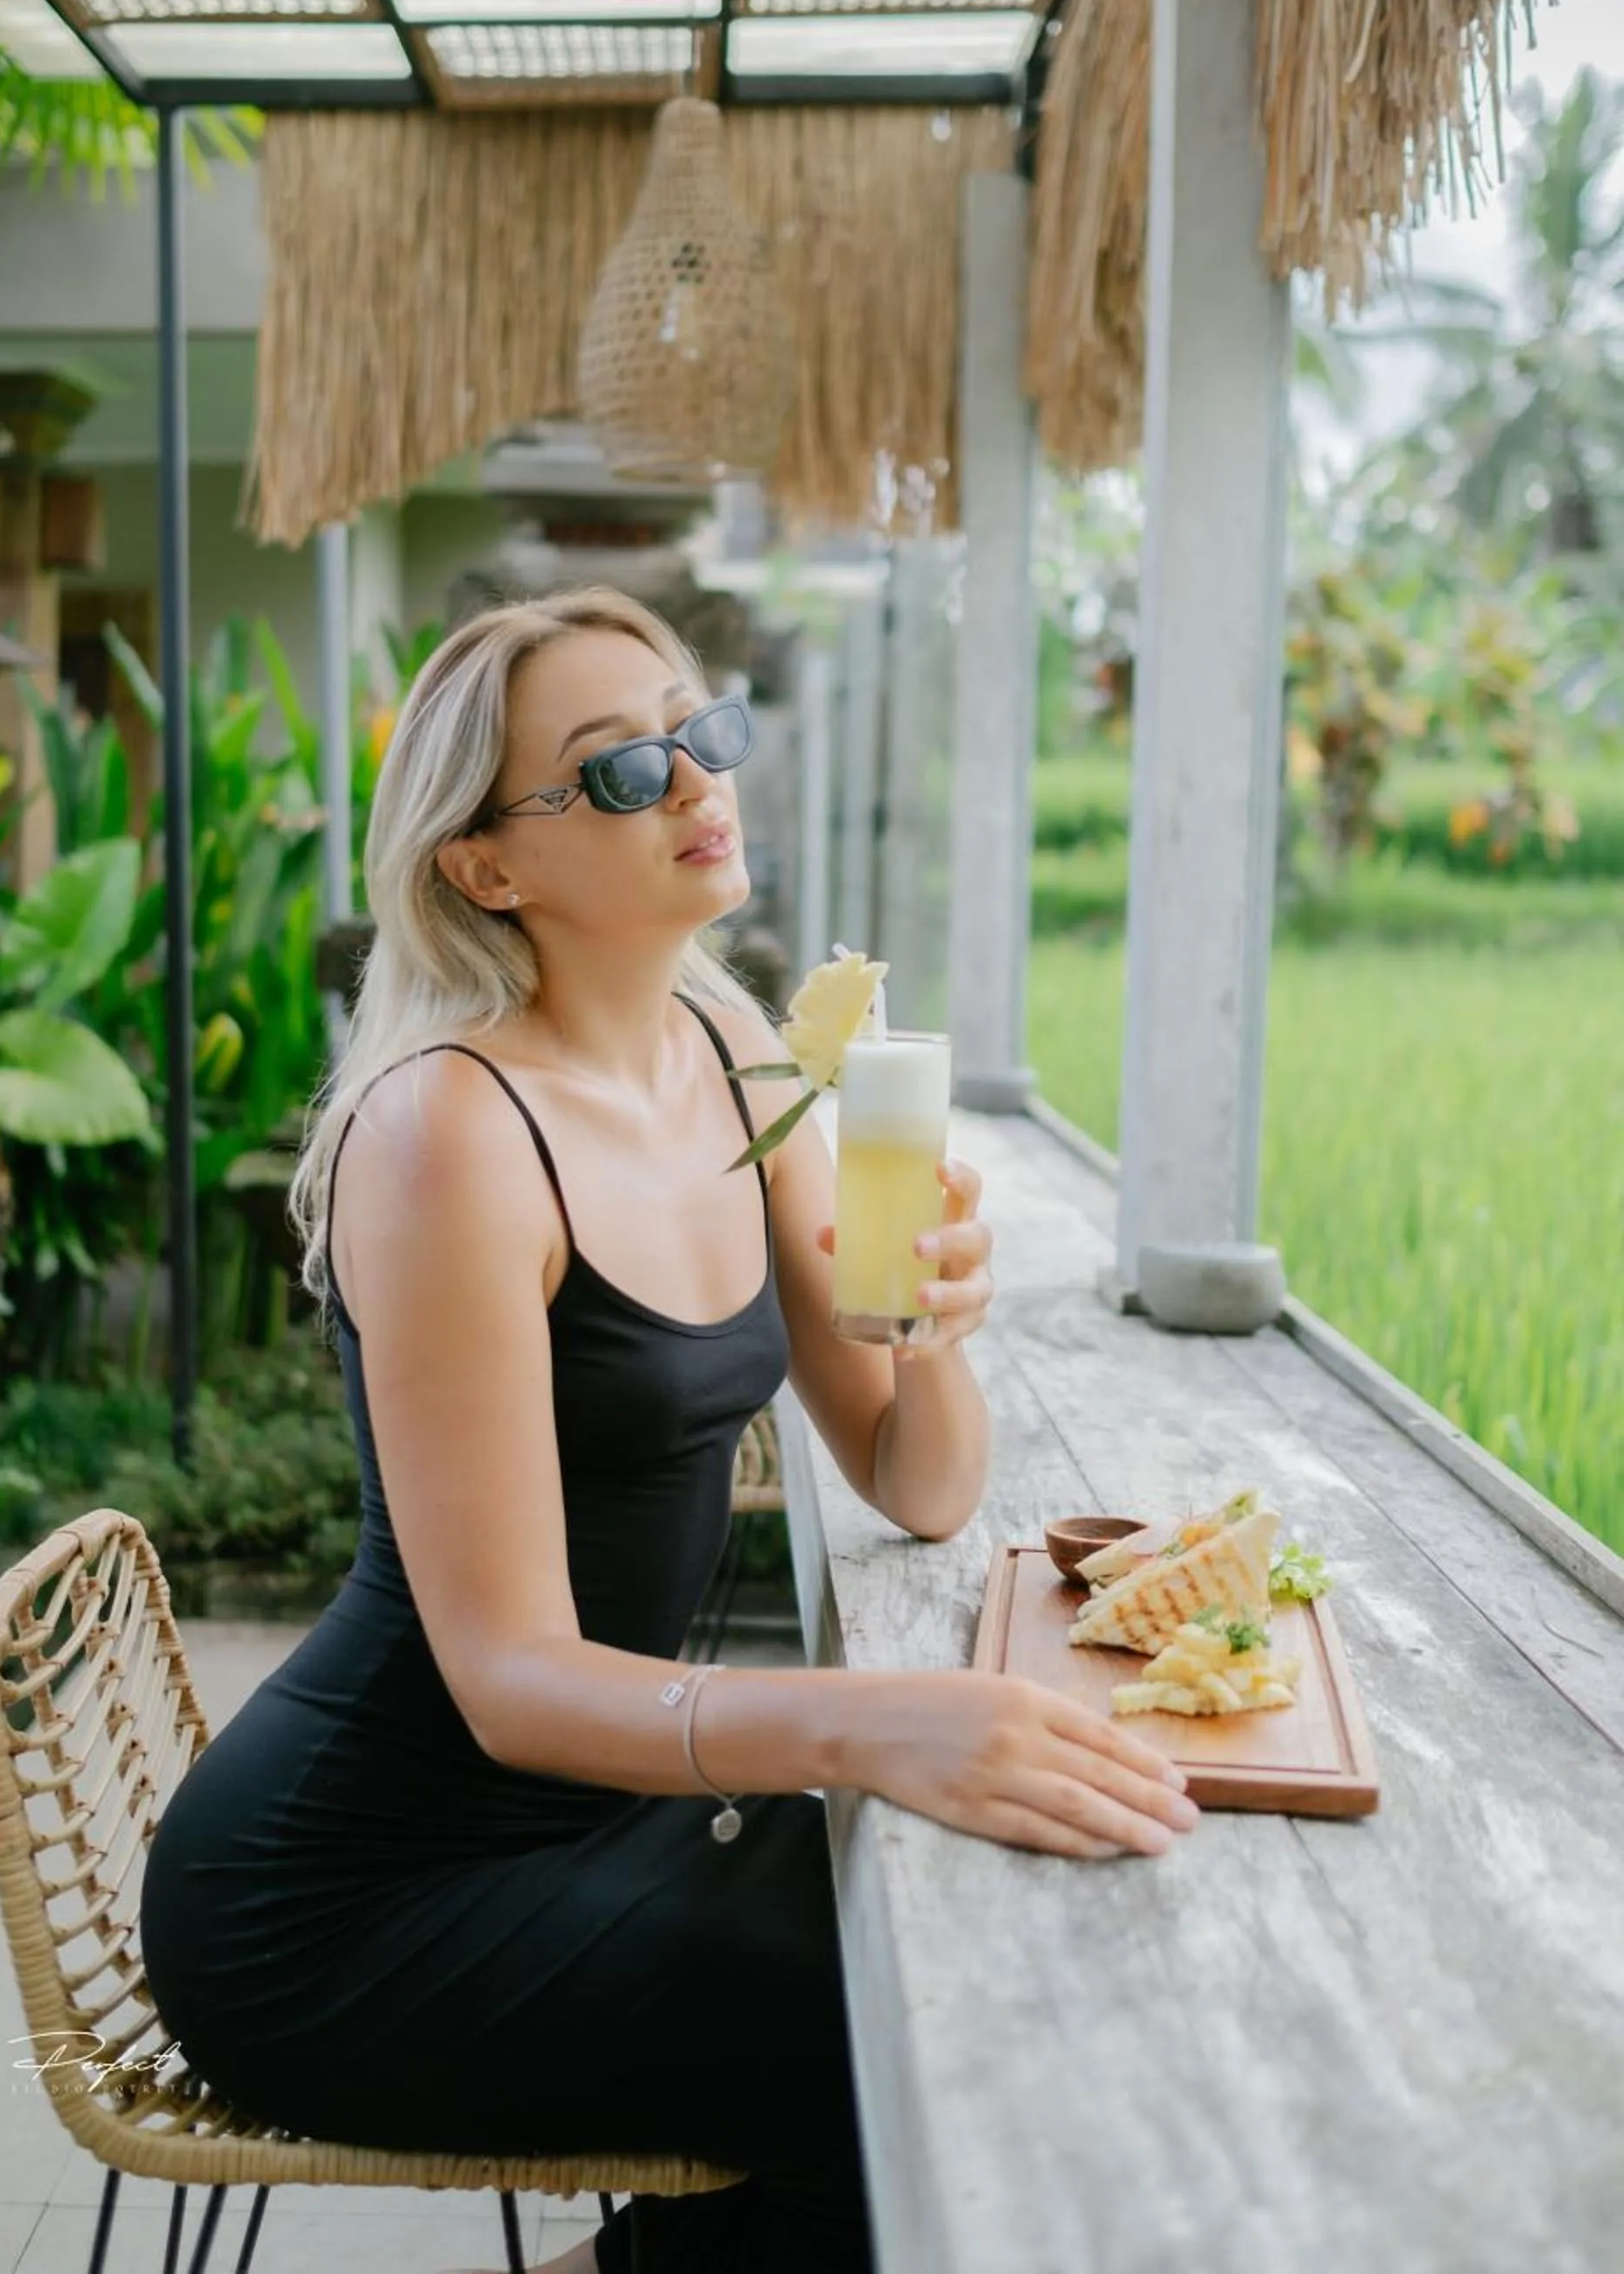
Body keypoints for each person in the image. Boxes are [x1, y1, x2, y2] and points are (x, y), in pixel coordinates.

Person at [138, 585, 1198, 2274]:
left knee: (1015, 1946)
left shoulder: (731, 1046)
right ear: (485, 865)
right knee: (922, 2068)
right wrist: (869, 1720)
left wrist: (926, 1321)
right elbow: (509, 1678)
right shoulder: (448, 1136)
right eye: (622, 772)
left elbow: (920, 1487)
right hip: (352, 1898)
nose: (699, 783)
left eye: (702, 734)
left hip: (591, 1816)